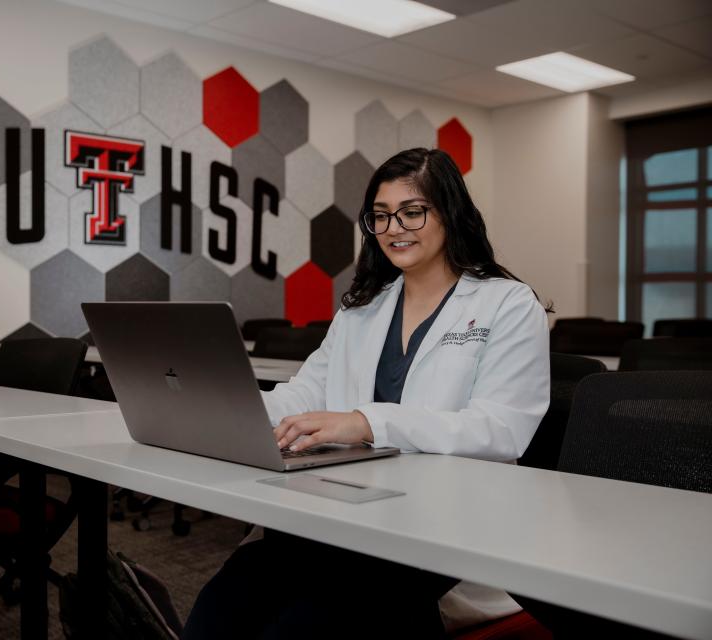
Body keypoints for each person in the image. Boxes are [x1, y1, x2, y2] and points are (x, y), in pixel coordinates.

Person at [182, 148, 551, 639]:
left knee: (299, 628)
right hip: (349, 510)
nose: (394, 227)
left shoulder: (506, 303)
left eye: (412, 211)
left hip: (443, 526)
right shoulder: (363, 307)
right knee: (219, 609)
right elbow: (308, 391)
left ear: (450, 213)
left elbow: (502, 428)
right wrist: (229, 406)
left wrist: (367, 421)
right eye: (380, 216)